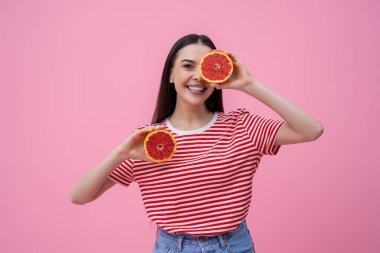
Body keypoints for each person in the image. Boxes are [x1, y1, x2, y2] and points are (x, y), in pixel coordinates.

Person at [70, 34, 324, 253]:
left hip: (234, 245)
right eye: (188, 66)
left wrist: (250, 85)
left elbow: (311, 130)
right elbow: (79, 196)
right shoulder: (148, 142)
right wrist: (120, 153)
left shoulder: (242, 126)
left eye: (206, 67)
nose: (198, 77)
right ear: (171, 74)